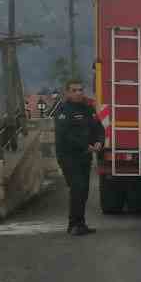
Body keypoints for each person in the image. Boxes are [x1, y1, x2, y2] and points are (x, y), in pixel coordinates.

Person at [53, 79, 104, 235]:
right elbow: (65, 135)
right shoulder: (62, 110)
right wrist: (84, 145)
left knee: (84, 190)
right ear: (67, 92)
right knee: (78, 187)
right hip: (68, 156)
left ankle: (79, 223)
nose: (78, 93)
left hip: (84, 156)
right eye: (74, 90)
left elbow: (98, 128)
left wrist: (99, 142)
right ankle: (73, 225)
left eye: (81, 89)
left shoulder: (88, 109)